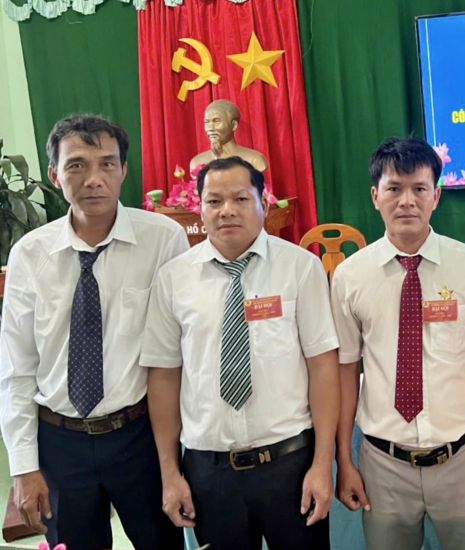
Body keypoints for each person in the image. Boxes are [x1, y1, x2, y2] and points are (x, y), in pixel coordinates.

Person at [0, 114, 188, 549]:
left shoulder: (163, 240)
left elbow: (181, 349)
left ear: (124, 169)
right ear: (54, 175)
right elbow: (17, 368)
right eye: (77, 165)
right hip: (59, 442)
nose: (93, 179)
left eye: (107, 164)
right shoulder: (30, 254)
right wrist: (24, 466)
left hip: (138, 438)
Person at [330, 137, 465, 550]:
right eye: (394, 189)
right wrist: (345, 459)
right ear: (375, 195)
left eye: (419, 189)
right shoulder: (349, 276)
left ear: (437, 196)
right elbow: (346, 373)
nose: (407, 201)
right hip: (383, 465)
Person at [142, 156, 338, 550]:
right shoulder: (173, 279)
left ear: (263, 202)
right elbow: (164, 376)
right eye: (214, 201)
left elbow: (323, 367)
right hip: (209, 472)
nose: (227, 210)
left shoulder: (300, 268)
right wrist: (169, 472)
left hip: (290, 465)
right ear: (199, 208)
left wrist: (322, 464)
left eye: (240, 199)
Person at [189, 99, 268, 173]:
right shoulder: (197, 163)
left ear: (234, 125)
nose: (210, 128)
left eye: (216, 121)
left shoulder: (254, 160)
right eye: (207, 122)